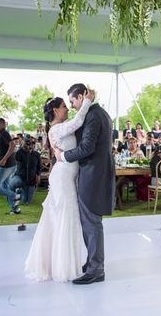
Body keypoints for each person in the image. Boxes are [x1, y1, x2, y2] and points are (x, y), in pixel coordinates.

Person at [25, 89, 92, 282]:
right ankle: (63, 267)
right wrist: (87, 101)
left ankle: (58, 263)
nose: (68, 109)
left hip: (67, 176)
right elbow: (79, 120)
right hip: (63, 177)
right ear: (55, 110)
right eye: (64, 106)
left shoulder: (59, 127)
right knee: (66, 217)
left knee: (63, 218)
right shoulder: (56, 129)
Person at [51, 83, 114, 285]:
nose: (72, 106)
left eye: (72, 101)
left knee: (92, 222)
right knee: (89, 221)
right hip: (92, 173)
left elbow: (87, 147)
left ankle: (96, 269)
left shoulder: (94, 115)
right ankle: (92, 263)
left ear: (81, 97)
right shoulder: (97, 113)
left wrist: (63, 156)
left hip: (93, 175)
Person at [0, 118, 19, 214]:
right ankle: (15, 209)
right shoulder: (0, 135)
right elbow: (4, 149)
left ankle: (15, 195)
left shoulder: (4, 133)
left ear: (1, 125)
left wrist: (4, 159)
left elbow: (12, 146)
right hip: (10, 165)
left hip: (6, 165)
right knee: (5, 187)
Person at [11, 136, 41, 205]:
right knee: (14, 183)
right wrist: (24, 150)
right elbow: (15, 161)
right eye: (26, 143)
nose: (29, 145)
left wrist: (38, 175)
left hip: (31, 179)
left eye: (31, 143)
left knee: (28, 202)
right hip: (20, 177)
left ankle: (21, 193)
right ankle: (17, 191)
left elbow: (39, 166)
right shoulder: (19, 153)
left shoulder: (36, 154)